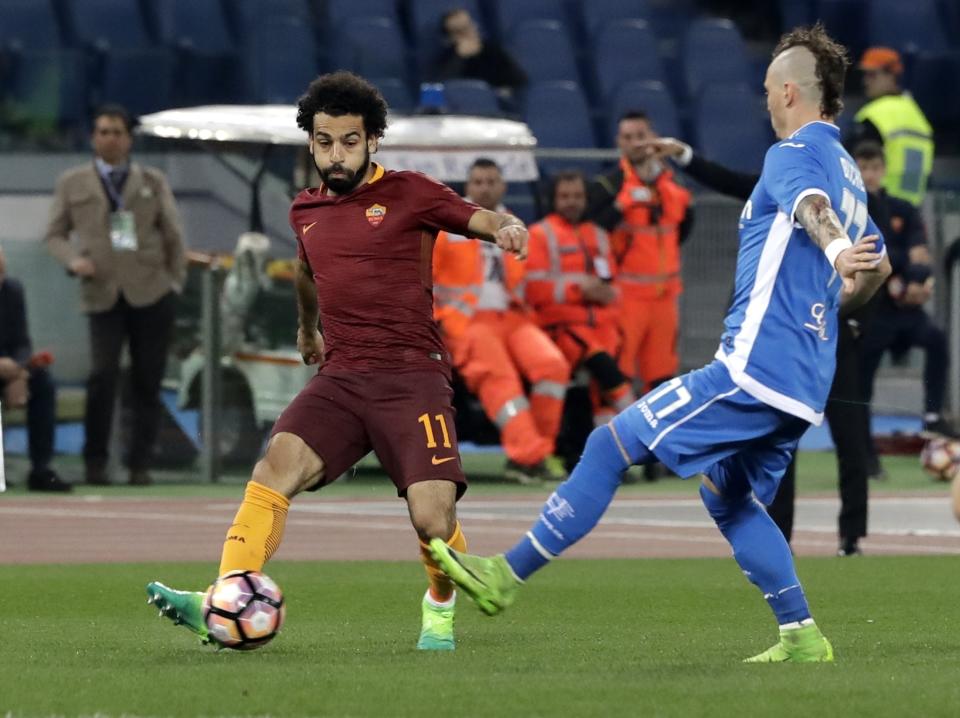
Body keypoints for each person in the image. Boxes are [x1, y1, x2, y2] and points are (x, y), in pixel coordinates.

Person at [430, 25, 892, 663]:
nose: (763, 101)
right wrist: (833, 297)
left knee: (609, 442)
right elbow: (879, 273)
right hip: (805, 379)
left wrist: (836, 253)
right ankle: (801, 634)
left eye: (765, 89)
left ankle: (505, 576)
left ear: (788, 90)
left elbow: (813, 210)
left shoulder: (793, 156)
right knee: (727, 495)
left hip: (754, 369)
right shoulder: (852, 173)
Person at [145, 72, 527, 652]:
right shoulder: (306, 211)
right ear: (312, 144)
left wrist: (509, 226)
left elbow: (479, 217)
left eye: (349, 141)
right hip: (343, 377)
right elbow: (305, 271)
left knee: (431, 518)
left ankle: (439, 610)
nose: (336, 154)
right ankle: (223, 600)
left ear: (373, 139)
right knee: (274, 469)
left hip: (411, 376)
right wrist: (306, 328)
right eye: (325, 142)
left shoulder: (411, 192)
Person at [639, 135, 875, 555]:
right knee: (782, 443)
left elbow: (876, 267)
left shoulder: (847, 202)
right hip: (794, 338)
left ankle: (851, 538)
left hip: (831, 337)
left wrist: (844, 309)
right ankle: (778, 537)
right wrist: (687, 156)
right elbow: (731, 181)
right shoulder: (792, 183)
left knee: (849, 440)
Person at [44, 104, 186, 486]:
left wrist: (174, 281)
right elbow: (53, 234)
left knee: (147, 380)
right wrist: (73, 260)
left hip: (151, 290)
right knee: (102, 376)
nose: (109, 138)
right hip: (102, 291)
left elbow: (173, 233)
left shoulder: (151, 181)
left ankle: (140, 463)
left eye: (116, 132)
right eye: (102, 131)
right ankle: (95, 462)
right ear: (93, 137)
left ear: (128, 138)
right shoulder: (72, 183)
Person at [433, 159, 569, 485]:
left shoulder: (517, 227)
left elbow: (527, 282)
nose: (485, 187)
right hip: (466, 321)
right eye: (478, 181)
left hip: (513, 318)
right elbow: (424, 280)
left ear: (503, 186)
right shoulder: (448, 227)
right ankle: (528, 458)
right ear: (468, 186)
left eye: (492, 181)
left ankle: (539, 452)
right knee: (500, 376)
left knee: (553, 366)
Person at [852, 141, 954, 439]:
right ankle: (862, 441)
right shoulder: (853, 212)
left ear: (883, 170)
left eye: (874, 168)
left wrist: (910, 281)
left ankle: (933, 417)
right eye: (863, 167)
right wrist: (901, 261)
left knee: (936, 341)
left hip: (907, 308)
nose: (869, 175)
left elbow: (921, 257)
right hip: (874, 309)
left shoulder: (902, 209)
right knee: (862, 369)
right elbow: (871, 257)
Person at [588, 111, 693, 395]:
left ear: (653, 139)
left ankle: (655, 438)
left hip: (665, 296)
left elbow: (683, 229)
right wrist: (620, 207)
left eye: (641, 136)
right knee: (618, 372)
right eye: (628, 137)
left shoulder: (675, 188)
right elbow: (588, 231)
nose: (635, 143)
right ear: (618, 142)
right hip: (626, 296)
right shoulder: (608, 185)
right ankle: (610, 436)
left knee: (661, 375)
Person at [526, 171, 635, 428]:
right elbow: (535, 291)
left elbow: (612, 285)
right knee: (607, 370)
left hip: (602, 326)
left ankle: (613, 450)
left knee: (607, 384)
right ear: (553, 199)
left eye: (577, 196)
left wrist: (608, 293)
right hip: (561, 327)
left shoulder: (598, 235)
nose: (571, 202)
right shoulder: (540, 234)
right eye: (564, 196)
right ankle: (643, 430)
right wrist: (579, 290)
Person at [0, 246, 71, 492]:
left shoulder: (12, 291)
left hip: (10, 370)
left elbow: (21, 342)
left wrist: (20, 372)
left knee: (43, 384)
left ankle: (41, 469)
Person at [847, 47, 934, 207]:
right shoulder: (917, 115)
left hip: (877, 204)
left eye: (872, 75)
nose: (866, 81)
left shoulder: (874, 115)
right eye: (865, 75)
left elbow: (849, 161)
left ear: (892, 75)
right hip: (913, 206)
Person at [432, 8, 528, 97]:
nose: (467, 33)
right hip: (456, 110)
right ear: (450, 37)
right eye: (459, 31)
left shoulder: (492, 51)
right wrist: (459, 58)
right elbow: (435, 89)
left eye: (468, 26)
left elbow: (519, 79)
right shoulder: (445, 58)